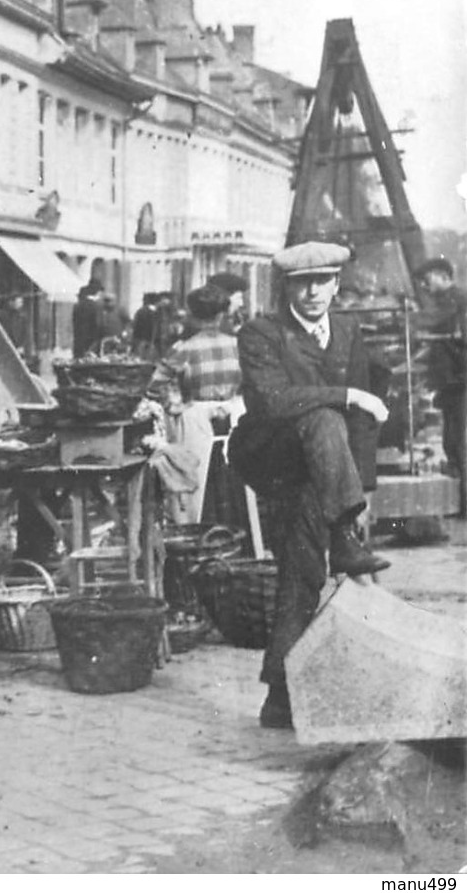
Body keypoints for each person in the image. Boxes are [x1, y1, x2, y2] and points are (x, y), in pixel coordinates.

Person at [228, 242, 393, 730]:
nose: (314, 291)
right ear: (287, 289)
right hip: (278, 464)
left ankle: (279, 698)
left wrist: (363, 491)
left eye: (323, 280)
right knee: (323, 416)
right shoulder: (260, 333)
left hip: (331, 474)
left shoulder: (347, 329)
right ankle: (342, 539)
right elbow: (273, 402)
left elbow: (360, 424)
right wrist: (348, 393)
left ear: (337, 284)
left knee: (300, 578)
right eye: (303, 283)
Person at [165, 285, 243, 523]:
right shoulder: (237, 344)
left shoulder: (183, 349)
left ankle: (194, 525)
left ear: (193, 315)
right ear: (221, 315)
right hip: (234, 414)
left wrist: (174, 405)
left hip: (197, 416)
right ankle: (240, 525)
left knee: (193, 475)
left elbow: (156, 384)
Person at [413, 256, 465, 476]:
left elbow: (430, 321)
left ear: (444, 277)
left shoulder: (456, 300)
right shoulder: (446, 303)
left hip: (462, 381)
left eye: (427, 280)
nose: (424, 286)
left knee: (462, 446)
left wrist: (406, 320)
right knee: (452, 444)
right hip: (452, 383)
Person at [72, 281, 103, 356]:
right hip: (91, 346)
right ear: (97, 293)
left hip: (78, 344)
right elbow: (97, 326)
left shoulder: (78, 305)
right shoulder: (95, 307)